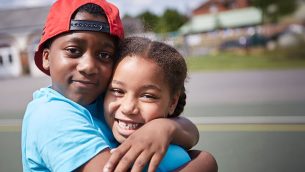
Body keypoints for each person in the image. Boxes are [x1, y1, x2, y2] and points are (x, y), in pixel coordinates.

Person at [21, 1, 200, 172]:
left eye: (104, 55)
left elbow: (190, 131)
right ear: (46, 57)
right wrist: (205, 162)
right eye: (73, 51)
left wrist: (165, 128)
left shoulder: (104, 101)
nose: (88, 66)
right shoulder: (51, 115)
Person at [103, 36, 218, 172]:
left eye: (148, 96)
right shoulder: (89, 124)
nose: (128, 108)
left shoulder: (173, 159)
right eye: (118, 91)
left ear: (172, 103)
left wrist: (166, 127)